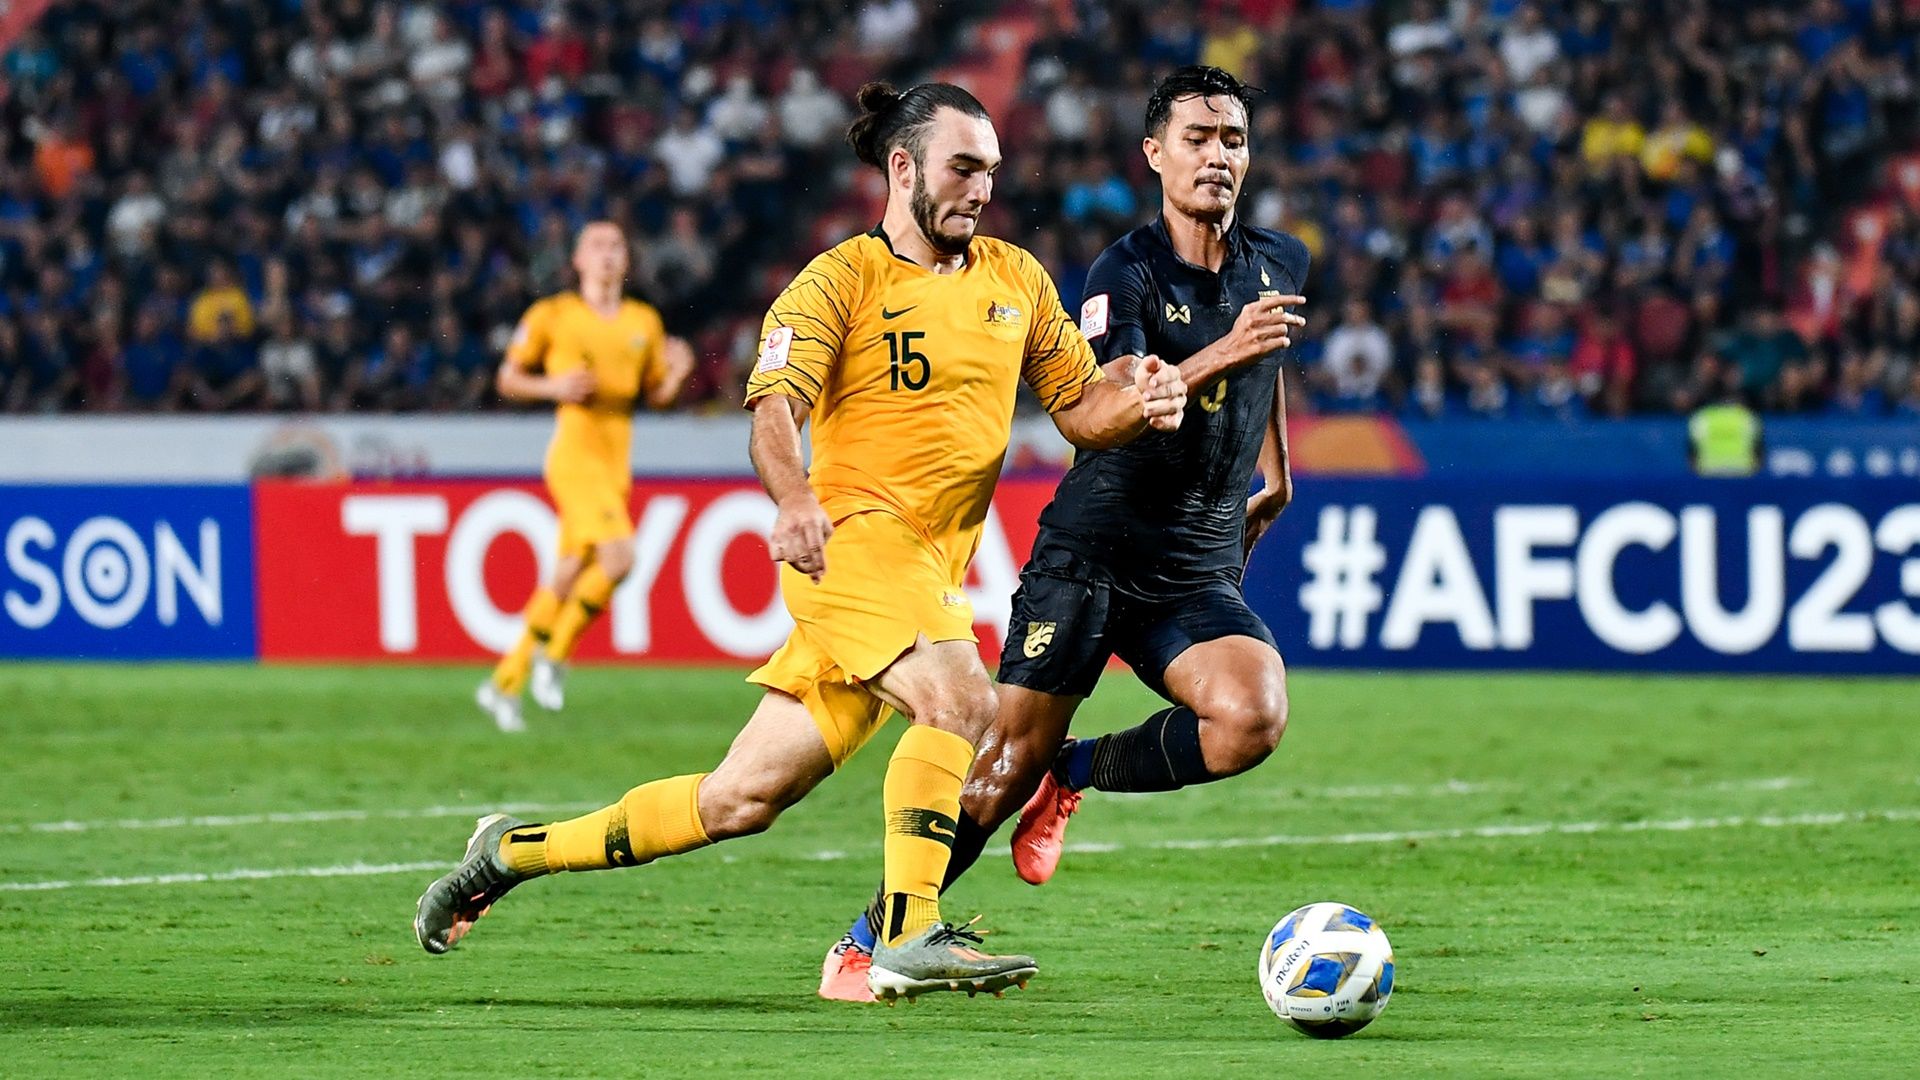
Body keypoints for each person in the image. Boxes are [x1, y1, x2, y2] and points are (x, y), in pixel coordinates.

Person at [416, 83, 1192, 1002]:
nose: (982, 187)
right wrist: (791, 499)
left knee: (737, 800)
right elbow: (774, 412)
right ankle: (905, 932)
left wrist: (1141, 398)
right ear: (902, 169)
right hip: (854, 544)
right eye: (962, 167)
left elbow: (1079, 407)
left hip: (922, 569)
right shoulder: (837, 282)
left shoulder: (1015, 280)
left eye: (990, 169)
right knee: (963, 702)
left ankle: (505, 854)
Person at [816, 65, 1310, 1002]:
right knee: (997, 770)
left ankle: (1074, 769)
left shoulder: (1279, 261)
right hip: (1096, 549)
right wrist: (1219, 353)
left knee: (1252, 718)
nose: (1218, 157)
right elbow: (1106, 406)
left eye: (1233, 139)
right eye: (1197, 139)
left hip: (1195, 557)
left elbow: (1266, 351)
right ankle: (863, 944)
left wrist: (1277, 471)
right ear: (1154, 155)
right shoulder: (1120, 274)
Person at [475, 221, 693, 732]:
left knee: (567, 573)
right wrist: (554, 386)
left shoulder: (644, 320)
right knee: (620, 557)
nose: (607, 255)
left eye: (616, 245)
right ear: (577, 260)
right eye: (596, 246)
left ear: (628, 259)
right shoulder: (553, 315)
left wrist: (678, 374)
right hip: (574, 455)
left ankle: (503, 683)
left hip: (616, 460)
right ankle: (557, 653)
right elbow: (507, 377)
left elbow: (656, 396)